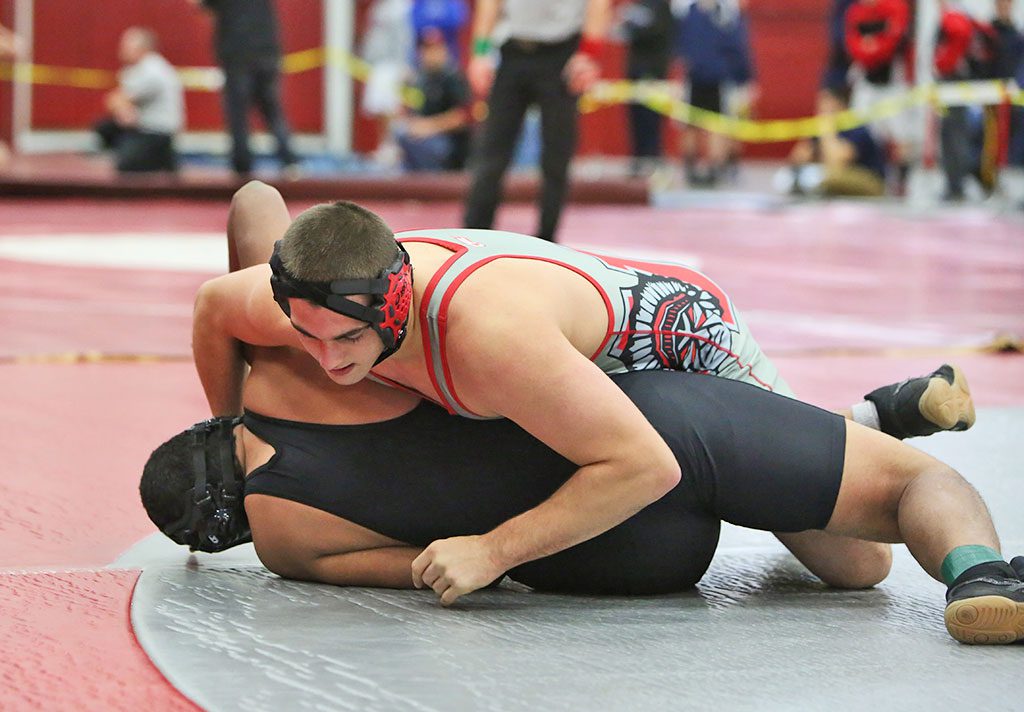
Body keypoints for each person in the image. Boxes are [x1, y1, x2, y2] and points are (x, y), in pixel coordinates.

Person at [143, 185, 1024, 644]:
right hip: (580, 373)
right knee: (791, 503)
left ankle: (870, 427)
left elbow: (644, 463)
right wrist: (226, 417)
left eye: (345, 341)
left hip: (673, 341)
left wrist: (492, 552)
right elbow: (239, 244)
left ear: (395, 304)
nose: (329, 364)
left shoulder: (486, 340)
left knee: (857, 563)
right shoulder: (299, 318)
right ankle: (869, 416)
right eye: (307, 337)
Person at [461, 0, 611, 242]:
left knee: (556, 156)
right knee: (492, 150)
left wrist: (589, 54)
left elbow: (599, 4)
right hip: (512, 51)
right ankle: (473, 234)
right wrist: (480, 52)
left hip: (561, 53)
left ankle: (547, 238)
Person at [188, 0, 298, 177]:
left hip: (238, 56)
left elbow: (202, 5)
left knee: (238, 115)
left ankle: (242, 169)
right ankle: (290, 163)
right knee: (273, 112)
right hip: (267, 52)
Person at [844, 0, 915, 195]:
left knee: (901, 136)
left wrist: (872, 47)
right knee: (860, 130)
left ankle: (901, 183)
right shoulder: (856, 11)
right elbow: (852, 45)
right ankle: (867, 177)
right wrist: (871, 49)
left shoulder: (895, 7)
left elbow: (893, 42)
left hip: (893, 83)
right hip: (866, 83)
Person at [93, 27, 183, 174]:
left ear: (141, 48)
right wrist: (123, 110)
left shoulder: (152, 70)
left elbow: (118, 99)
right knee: (104, 127)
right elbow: (114, 100)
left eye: (126, 46)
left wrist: (123, 109)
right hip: (143, 127)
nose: (121, 50)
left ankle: (158, 160)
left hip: (156, 133)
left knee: (126, 165)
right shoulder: (137, 68)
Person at [779, 84, 886, 197]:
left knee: (825, 177)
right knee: (790, 177)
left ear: (841, 104)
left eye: (827, 101)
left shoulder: (855, 127)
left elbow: (838, 163)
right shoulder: (819, 127)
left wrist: (828, 130)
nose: (821, 106)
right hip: (834, 177)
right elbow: (797, 160)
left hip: (870, 180)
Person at [394, 27, 472, 172]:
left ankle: (436, 180)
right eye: (427, 49)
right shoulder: (418, 79)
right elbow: (407, 113)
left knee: (434, 146)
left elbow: (461, 118)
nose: (431, 54)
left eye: (436, 48)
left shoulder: (453, 77)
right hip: (422, 136)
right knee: (400, 132)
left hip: (449, 140)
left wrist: (429, 127)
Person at [616, 0, 674, 178]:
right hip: (635, 69)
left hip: (653, 71)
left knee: (652, 116)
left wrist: (635, 28)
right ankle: (638, 157)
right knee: (636, 116)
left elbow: (659, 31)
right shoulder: (638, 6)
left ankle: (652, 157)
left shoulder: (661, 6)